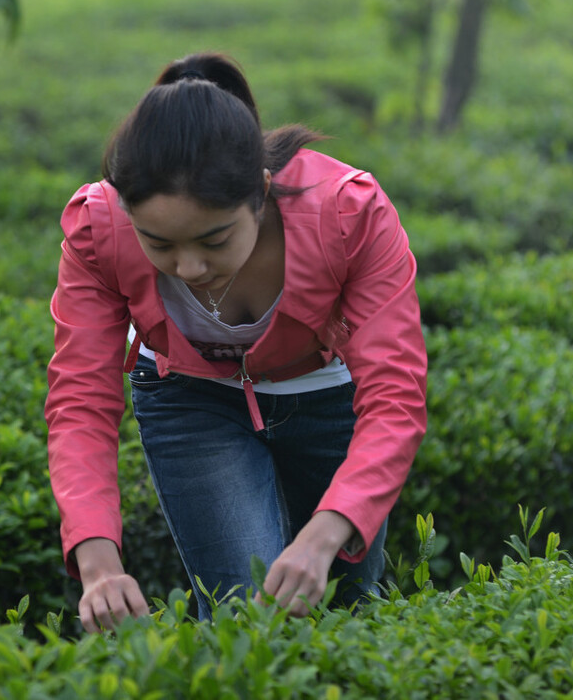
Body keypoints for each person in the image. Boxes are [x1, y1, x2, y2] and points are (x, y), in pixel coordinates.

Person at [45, 53, 427, 633]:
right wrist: (98, 565)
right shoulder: (100, 228)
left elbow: (396, 397)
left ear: (262, 191)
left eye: (214, 239)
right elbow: (80, 402)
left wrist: (325, 532)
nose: (190, 266)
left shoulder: (349, 213)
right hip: (189, 402)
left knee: (351, 608)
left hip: (326, 397)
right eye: (160, 244)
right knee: (244, 620)